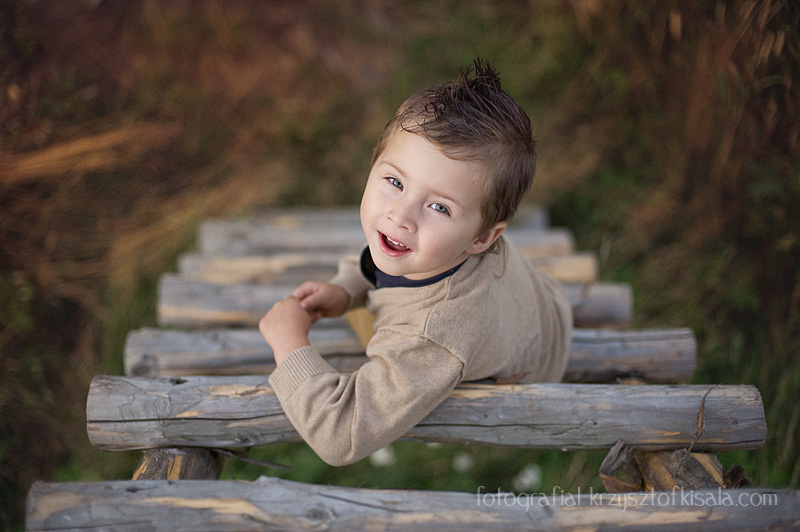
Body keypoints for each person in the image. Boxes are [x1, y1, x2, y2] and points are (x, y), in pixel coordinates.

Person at [259, 58, 572, 466]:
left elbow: (341, 434)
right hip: (537, 302)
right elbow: (378, 257)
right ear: (373, 165)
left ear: (483, 237)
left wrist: (289, 340)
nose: (401, 216)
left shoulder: (432, 336)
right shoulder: (432, 244)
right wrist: (347, 288)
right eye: (394, 182)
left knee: (398, 350)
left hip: (532, 364)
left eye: (439, 207)